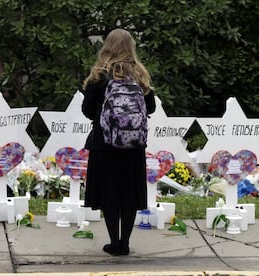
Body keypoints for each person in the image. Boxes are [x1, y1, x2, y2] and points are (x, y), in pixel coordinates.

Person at [81, 28, 156, 256]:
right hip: (133, 147)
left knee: (110, 194)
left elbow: (87, 111)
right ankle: (125, 243)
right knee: (130, 195)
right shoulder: (140, 75)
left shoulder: (99, 76)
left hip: (105, 145)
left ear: (107, 47)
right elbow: (151, 108)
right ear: (131, 47)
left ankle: (114, 243)